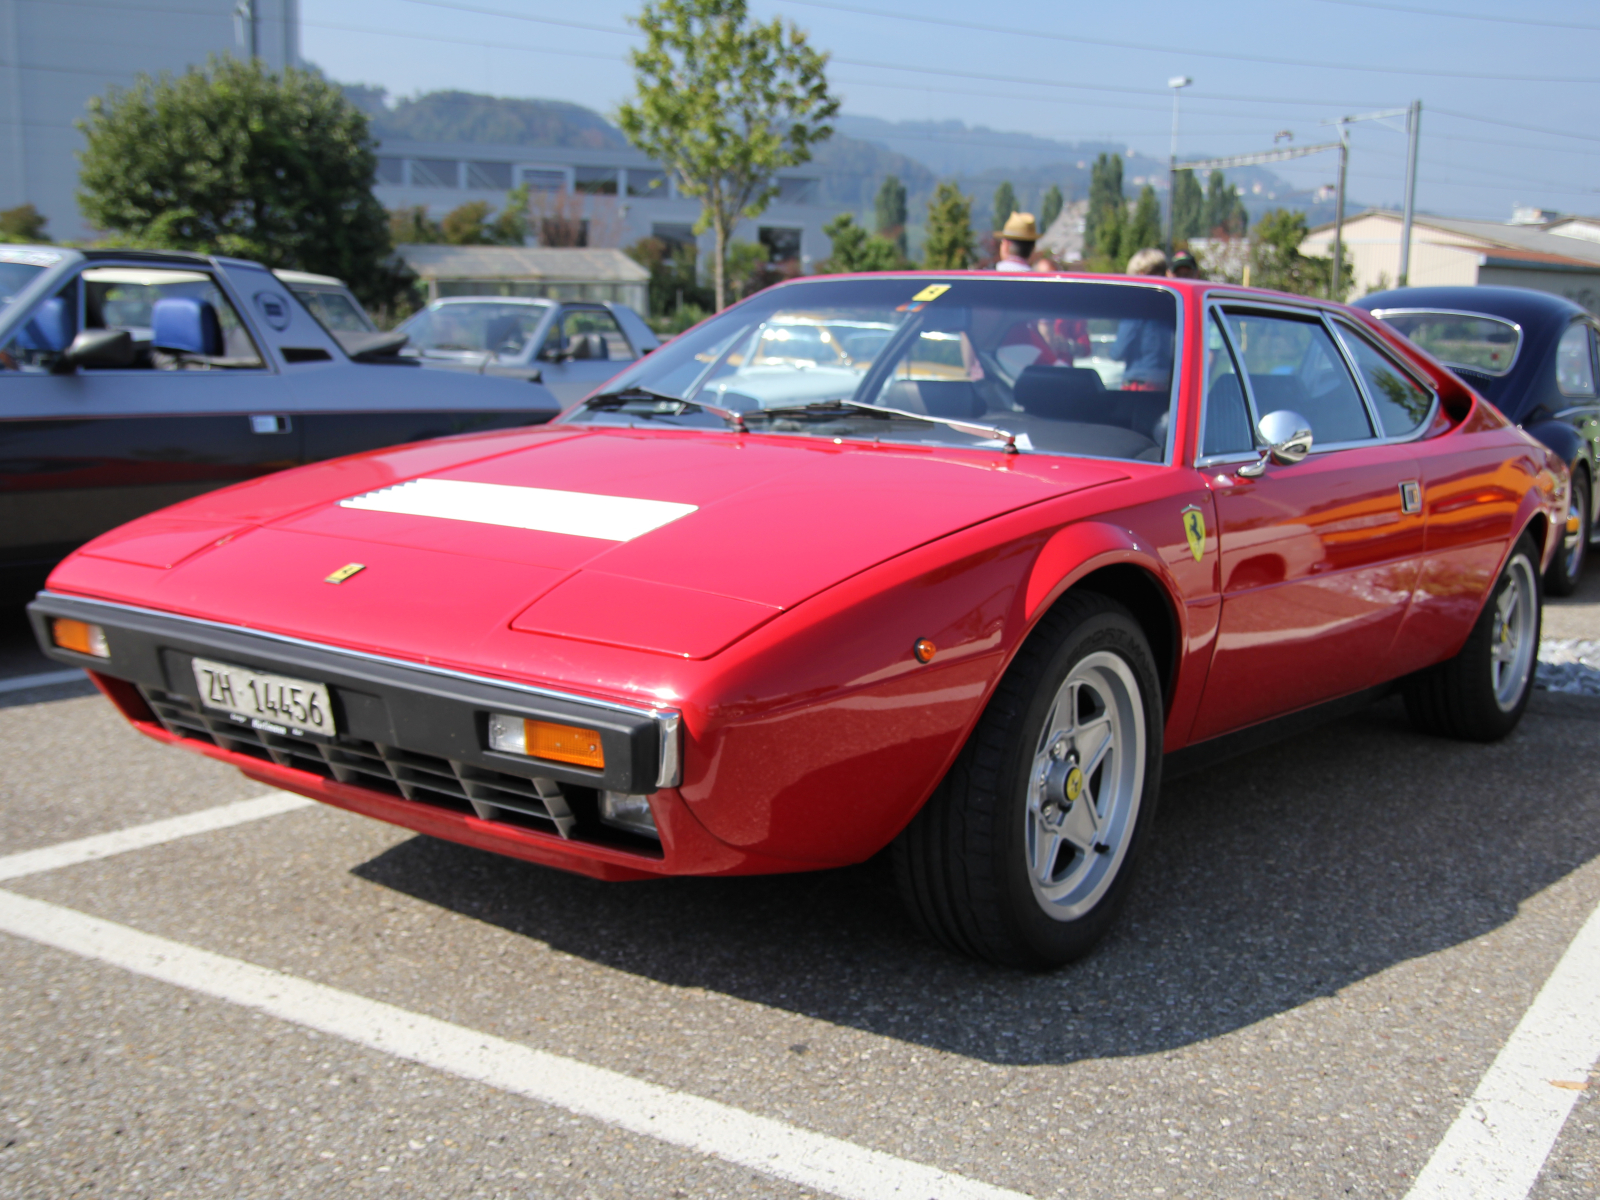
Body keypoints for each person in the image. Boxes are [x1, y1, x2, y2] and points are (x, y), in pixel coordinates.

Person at [1112, 248, 1174, 389]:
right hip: (1168, 383)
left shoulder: (1137, 309)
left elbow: (1117, 352)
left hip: (1140, 385)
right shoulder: (1172, 306)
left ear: (1141, 274)